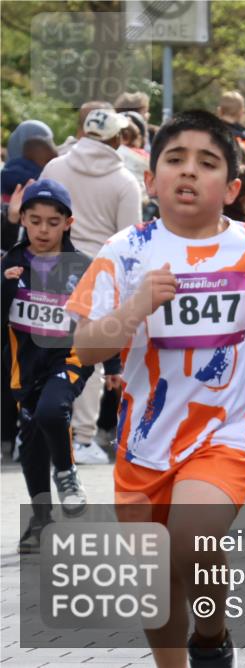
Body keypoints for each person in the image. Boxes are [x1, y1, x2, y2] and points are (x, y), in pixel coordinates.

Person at [66, 110, 245, 667]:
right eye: (174, 160)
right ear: (150, 180)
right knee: (156, 589)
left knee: (191, 540)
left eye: (206, 164)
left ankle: (212, 636)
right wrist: (136, 306)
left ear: (231, 188)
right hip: (143, 442)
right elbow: (86, 346)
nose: (188, 173)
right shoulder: (123, 251)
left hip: (227, 430)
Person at [39, 107, 142, 464]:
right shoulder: (125, 181)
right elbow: (130, 240)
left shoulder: (54, 167)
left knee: (45, 345)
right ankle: (81, 437)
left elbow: (36, 219)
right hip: (98, 273)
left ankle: (37, 429)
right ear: (116, 139)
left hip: (51, 264)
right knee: (88, 355)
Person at [2, 180, 93, 552]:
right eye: (34, 220)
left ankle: (67, 473)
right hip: (24, 365)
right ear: (22, 218)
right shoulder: (11, 261)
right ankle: (41, 520)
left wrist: (115, 365)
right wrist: (5, 287)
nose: (42, 229)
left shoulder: (83, 266)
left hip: (67, 357)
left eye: (52, 222)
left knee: (53, 412)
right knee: (32, 441)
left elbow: (103, 317)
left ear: (68, 223)